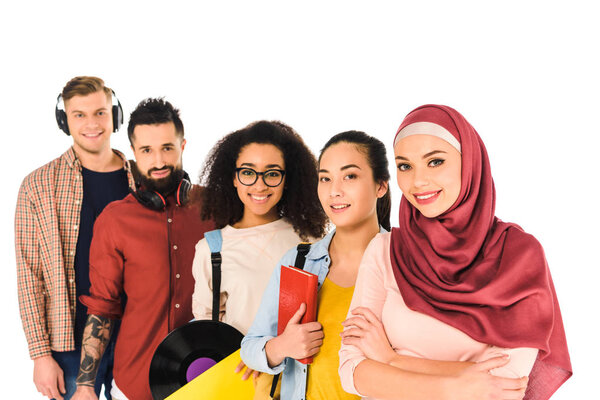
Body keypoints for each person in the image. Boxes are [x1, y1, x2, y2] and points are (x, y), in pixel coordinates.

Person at [339, 104, 572, 400]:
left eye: (435, 162)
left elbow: (504, 386)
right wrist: (459, 383)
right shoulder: (385, 250)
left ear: (470, 162)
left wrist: (392, 359)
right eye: (404, 166)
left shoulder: (518, 256)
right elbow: (350, 369)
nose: (417, 181)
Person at [70, 98, 214, 400]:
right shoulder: (114, 219)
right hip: (137, 380)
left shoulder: (215, 207)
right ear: (134, 153)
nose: (159, 160)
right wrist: (85, 386)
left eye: (167, 148)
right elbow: (102, 307)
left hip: (207, 376)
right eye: (147, 150)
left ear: (183, 145)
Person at [241, 130, 390, 400]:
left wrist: (389, 356)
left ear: (381, 185)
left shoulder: (405, 265)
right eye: (325, 178)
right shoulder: (298, 262)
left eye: (350, 176)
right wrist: (280, 347)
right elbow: (250, 347)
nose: (334, 190)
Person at [15, 76, 133, 400]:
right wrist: (40, 355)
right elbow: (29, 276)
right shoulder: (37, 186)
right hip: (68, 344)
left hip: (136, 339)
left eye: (100, 112)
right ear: (64, 120)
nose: (91, 123)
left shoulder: (143, 181)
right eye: (79, 114)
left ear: (115, 115)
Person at [191, 120, 327, 386]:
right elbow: (206, 330)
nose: (260, 185)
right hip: (240, 382)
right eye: (248, 172)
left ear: (288, 179)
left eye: (272, 173)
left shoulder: (311, 240)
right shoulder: (212, 249)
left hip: (302, 381)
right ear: (233, 177)